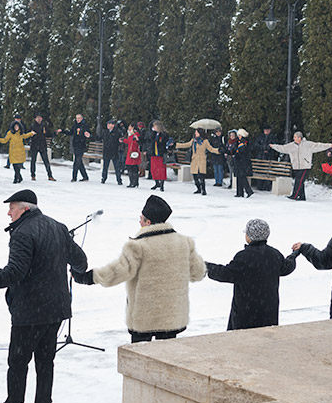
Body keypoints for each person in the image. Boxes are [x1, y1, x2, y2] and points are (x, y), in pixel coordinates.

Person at [0, 189, 88, 403]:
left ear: (25, 209)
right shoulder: (58, 227)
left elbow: (14, 273)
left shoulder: (22, 233)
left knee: (18, 363)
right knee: (45, 361)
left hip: (29, 310)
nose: (9, 213)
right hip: (56, 309)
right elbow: (81, 261)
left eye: (12, 207)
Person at [76, 194, 205, 342]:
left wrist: (89, 277)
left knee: (140, 361)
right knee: (167, 360)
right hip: (172, 317)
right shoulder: (184, 243)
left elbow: (118, 271)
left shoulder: (138, 246)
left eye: (141, 218)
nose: (139, 221)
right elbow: (199, 273)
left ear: (148, 221)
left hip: (144, 318)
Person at [205, 219, 300, 329]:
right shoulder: (274, 254)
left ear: (249, 236)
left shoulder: (244, 257)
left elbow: (226, 273)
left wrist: (206, 266)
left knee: (243, 341)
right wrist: (294, 254)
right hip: (269, 311)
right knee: (266, 340)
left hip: (245, 312)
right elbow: (287, 267)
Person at [270, 131, 331, 201]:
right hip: (296, 166)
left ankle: (295, 195)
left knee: (298, 181)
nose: (293, 138)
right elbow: (283, 148)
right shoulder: (291, 145)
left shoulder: (307, 144)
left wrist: (329, 145)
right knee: (300, 181)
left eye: (295, 137)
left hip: (305, 166)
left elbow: (318, 145)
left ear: (300, 138)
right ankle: (302, 197)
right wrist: (273, 146)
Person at [176, 129, 221, 196]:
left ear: (200, 133)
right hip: (194, 160)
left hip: (202, 160)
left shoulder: (205, 141)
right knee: (195, 176)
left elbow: (211, 149)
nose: (195, 133)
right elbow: (186, 145)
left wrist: (218, 150)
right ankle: (198, 188)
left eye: (196, 132)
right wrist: (176, 145)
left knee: (201, 176)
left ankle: (203, 190)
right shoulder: (193, 140)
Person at [0, 119, 32, 184]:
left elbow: (26, 136)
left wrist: (31, 133)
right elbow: (5, 140)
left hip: (20, 151)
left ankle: (16, 178)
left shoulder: (20, 133)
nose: (16, 128)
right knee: (15, 165)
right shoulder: (10, 133)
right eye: (15, 127)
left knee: (18, 166)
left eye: (17, 127)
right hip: (13, 152)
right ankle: (19, 177)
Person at [27, 115, 55, 181]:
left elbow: (48, 134)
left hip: (42, 145)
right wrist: (30, 139)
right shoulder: (32, 126)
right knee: (33, 161)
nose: (39, 119)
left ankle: (50, 175)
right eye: (37, 118)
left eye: (40, 118)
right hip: (34, 145)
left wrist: (55, 133)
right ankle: (33, 175)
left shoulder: (44, 125)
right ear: (35, 119)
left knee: (46, 161)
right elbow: (27, 135)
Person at [229, 130, 255, 198]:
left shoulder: (244, 142)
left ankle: (248, 191)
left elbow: (242, 152)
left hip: (243, 162)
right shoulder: (239, 142)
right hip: (239, 162)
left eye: (239, 135)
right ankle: (239, 192)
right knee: (239, 177)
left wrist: (237, 154)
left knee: (242, 177)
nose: (238, 136)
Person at [148, 121, 172, 191]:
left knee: (161, 170)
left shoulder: (164, 134)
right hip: (154, 153)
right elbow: (150, 140)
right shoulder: (154, 134)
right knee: (153, 169)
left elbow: (163, 143)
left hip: (160, 154)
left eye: (154, 126)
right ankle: (156, 182)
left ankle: (162, 184)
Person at [100, 119, 125, 185]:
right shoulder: (105, 132)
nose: (108, 125)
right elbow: (100, 138)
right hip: (106, 151)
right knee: (105, 166)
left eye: (109, 124)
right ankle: (103, 178)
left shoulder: (117, 132)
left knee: (116, 167)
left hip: (114, 151)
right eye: (107, 124)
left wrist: (120, 141)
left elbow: (121, 140)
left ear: (113, 125)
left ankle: (119, 180)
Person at [122, 124, 141, 188]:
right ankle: (133, 182)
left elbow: (136, 143)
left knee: (133, 168)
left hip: (133, 153)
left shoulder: (136, 135)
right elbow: (130, 142)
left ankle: (134, 182)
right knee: (131, 167)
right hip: (130, 153)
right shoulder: (130, 135)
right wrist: (123, 140)